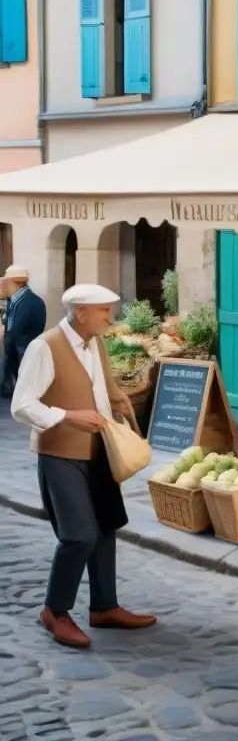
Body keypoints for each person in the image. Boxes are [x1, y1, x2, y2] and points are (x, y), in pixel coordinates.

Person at [11, 283, 157, 649]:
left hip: (99, 452)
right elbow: (21, 405)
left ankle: (104, 607)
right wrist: (67, 416)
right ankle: (54, 611)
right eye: (105, 310)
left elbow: (99, 390)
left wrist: (117, 400)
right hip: (60, 455)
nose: (111, 317)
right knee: (79, 535)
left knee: (106, 527)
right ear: (81, 312)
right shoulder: (44, 347)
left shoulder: (96, 344)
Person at [2, 265, 46, 396]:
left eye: (6, 282)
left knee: (24, 378)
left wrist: (8, 339)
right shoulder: (15, 299)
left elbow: (17, 328)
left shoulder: (31, 302)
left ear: (14, 282)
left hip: (24, 348)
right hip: (16, 347)